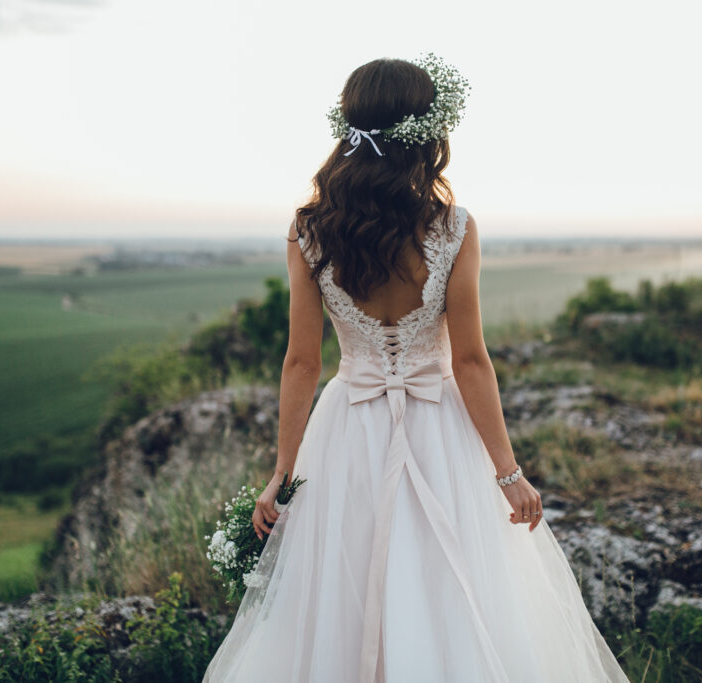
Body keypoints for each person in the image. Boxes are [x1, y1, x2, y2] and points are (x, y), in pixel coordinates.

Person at [201, 54, 628, 682]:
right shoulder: (453, 228)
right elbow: (471, 360)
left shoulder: (309, 231)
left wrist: (283, 473)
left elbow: (301, 361)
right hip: (442, 430)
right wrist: (508, 474)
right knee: (453, 587)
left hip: (347, 429)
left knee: (339, 595)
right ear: (426, 131)